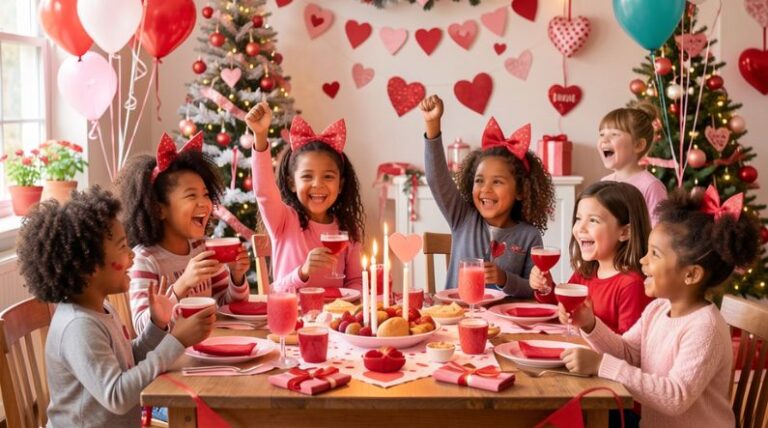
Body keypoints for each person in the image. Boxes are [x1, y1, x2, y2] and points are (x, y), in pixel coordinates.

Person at [560, 185, 760, 427]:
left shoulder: (704, 328)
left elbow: (674, 397)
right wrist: (590, 324)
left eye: (654, 254)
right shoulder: (657, 309)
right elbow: (629, 354)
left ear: (691, 274)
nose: (642, 260)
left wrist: (601, 365)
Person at [16, 186, 215, 428]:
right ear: (90, 265)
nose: (131, 255)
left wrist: (156, 326)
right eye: (122, 247)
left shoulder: (102, 309)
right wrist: (177, 342)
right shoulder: (78, 326)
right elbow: (117, 396)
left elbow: (127, 362)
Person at [115, 132, 250, 334]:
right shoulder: (146, 260)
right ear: (159, 209)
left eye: (205, 194)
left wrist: (237, 277)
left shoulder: (202, 248)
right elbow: (143, 329)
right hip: (171, 361)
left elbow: (226, 306)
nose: (204, 203)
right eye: (191, 196)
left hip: (206, 349)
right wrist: (183, 285)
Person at [421, 94, 555, 296]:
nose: (486, 189)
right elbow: (436, 179)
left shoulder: (529, 236)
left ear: (520, 191)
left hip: (503, 323)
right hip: (457, 316)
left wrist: (504, 278)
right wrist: (432, 124)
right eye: (479, 180)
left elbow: (532, 289)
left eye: (497, 181)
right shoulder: (463, 217)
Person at [246, 100, 364, 291]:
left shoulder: (347, 229)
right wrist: (260, 136)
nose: (317, 184)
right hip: (293, 316)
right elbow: (265, 192)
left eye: (328, 176)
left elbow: (354, 281)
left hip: (335, 319)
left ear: (340, 185)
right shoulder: (283, 220)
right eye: (307, 176)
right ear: (292, 183)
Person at [530, 181, 653, 334]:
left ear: (625, 232)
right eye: (578, 218)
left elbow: (629, 349)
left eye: (593, 220)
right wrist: (546, 287)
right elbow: (563, 311)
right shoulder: (585, 273)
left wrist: (590, 326)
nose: (580, 228)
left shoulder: (632, 285)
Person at [598, 102, 667, 225]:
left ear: (638, 145)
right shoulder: (603, 183)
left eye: (614, 134)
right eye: (602, 134)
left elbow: (659, 231)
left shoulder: (651, 186)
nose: (604, 139)